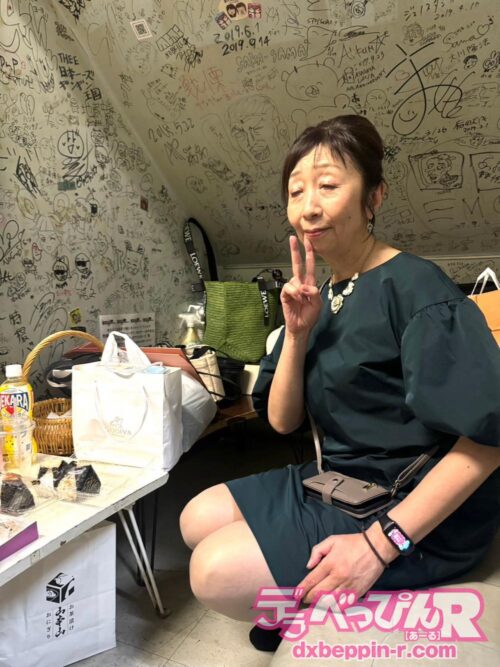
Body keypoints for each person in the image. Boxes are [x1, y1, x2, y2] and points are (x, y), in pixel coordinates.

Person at [180, 115, 500, 651]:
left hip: (410, 501)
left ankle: (314, 599)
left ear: (374, 196)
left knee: (213, 572)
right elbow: (282, 420)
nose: (308, 208)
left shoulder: (417, 289)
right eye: (296, 191)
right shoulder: (321, 293)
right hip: (342, 480)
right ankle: (301, 593)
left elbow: (489, 441)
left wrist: (378, 546)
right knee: (195, 519)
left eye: (328, 185)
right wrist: (297, 333)